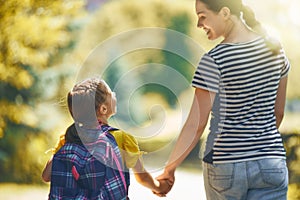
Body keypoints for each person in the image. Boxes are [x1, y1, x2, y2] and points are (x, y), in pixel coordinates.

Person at [156, 0, 290, 199]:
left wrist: (169, 169)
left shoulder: (215, 59)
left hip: (225, 165)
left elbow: (196, 124)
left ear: (225, 13)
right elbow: (278, 113)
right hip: (271, 162)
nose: (198, 24)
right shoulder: (275, 50)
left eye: (202, 16)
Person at [42, 77, 169, 199]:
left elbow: (46, 176)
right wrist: (159, 187)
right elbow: (142, 177)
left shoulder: (68, 138)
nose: (114, 94)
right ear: (103, 109)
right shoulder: (121, 138)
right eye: (110, 93)